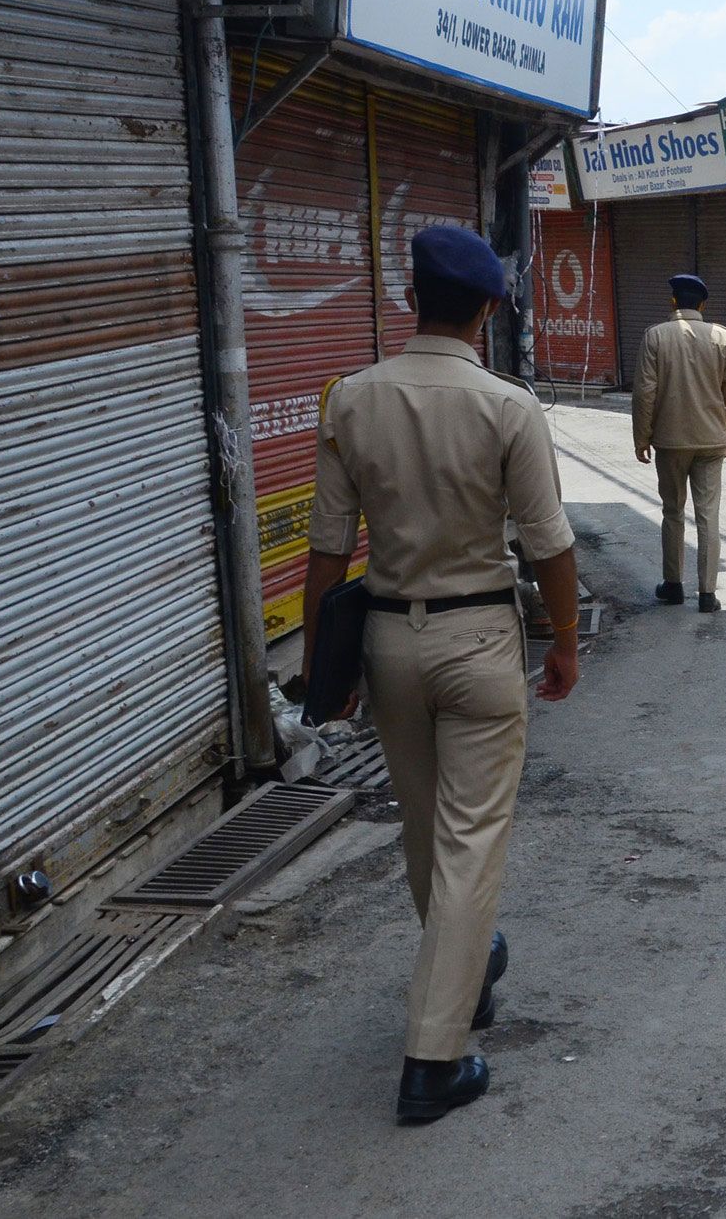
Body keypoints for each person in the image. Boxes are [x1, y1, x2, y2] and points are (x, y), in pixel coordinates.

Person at [300, 224, 581, 1124]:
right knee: (468, 843)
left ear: (408, 298)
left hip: (389, 643)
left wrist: (320, 668)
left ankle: (466, 966)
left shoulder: (350, 399)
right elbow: (549, 544)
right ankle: (433, 1058)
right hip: (478, 642)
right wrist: (566, 639)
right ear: (490, 309)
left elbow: (326, 553)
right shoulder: (508, 406)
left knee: (426, 833)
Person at [632, 273, 726, 613]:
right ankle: (708, 594)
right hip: (711, 441)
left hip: (670, 441)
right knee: (708, 516)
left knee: (673, 512)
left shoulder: (655, 337)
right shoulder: (721, 338)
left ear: (672, 302)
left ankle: (674, 585)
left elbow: (644, 393)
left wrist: (642, 437)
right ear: (702, 305)